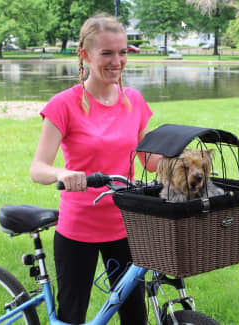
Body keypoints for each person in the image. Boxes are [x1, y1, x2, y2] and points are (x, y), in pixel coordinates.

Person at [30, 13, 157, 324]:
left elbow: (150, 162)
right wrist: (62, 174)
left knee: (134, 316)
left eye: (123, 51)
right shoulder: (64, 104)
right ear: (85, 55)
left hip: (125, 224)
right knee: (72, 316)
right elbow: (38, 168)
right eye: (107, 53)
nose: (118, 61)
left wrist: (185, 162)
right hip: (79, 228)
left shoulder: (134, 101)